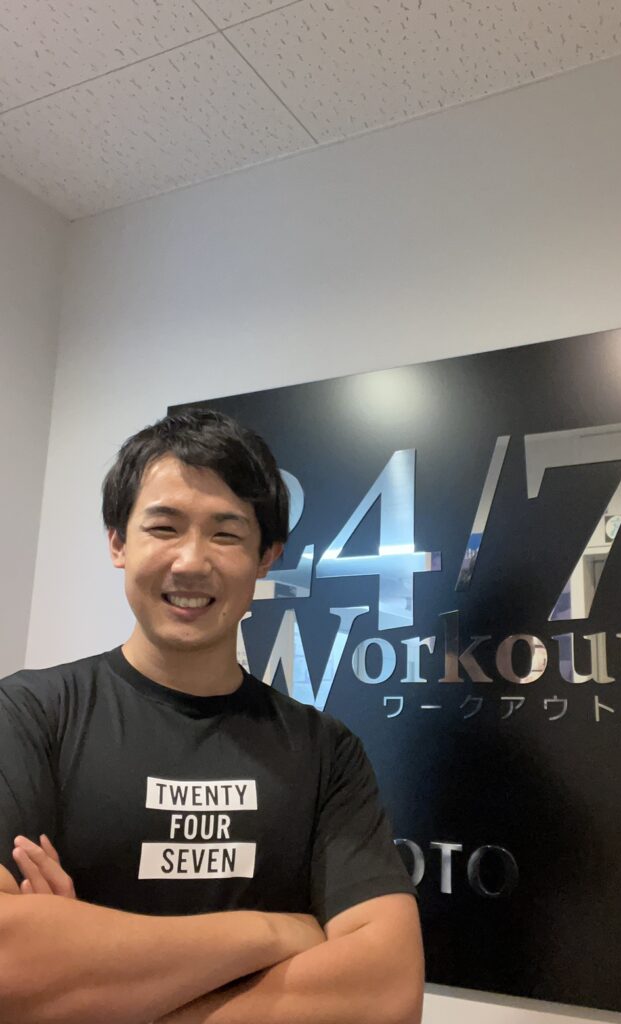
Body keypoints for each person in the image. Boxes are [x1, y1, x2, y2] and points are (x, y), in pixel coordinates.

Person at [0, 409, 423, 1024]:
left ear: (266, 556)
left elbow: (387, 994)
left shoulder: (325, 751)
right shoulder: (28, 715)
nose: (192, 562)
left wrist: (87, 971)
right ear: (118, 542)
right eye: (164, 527)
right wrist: (275, 932)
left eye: (226, 534)